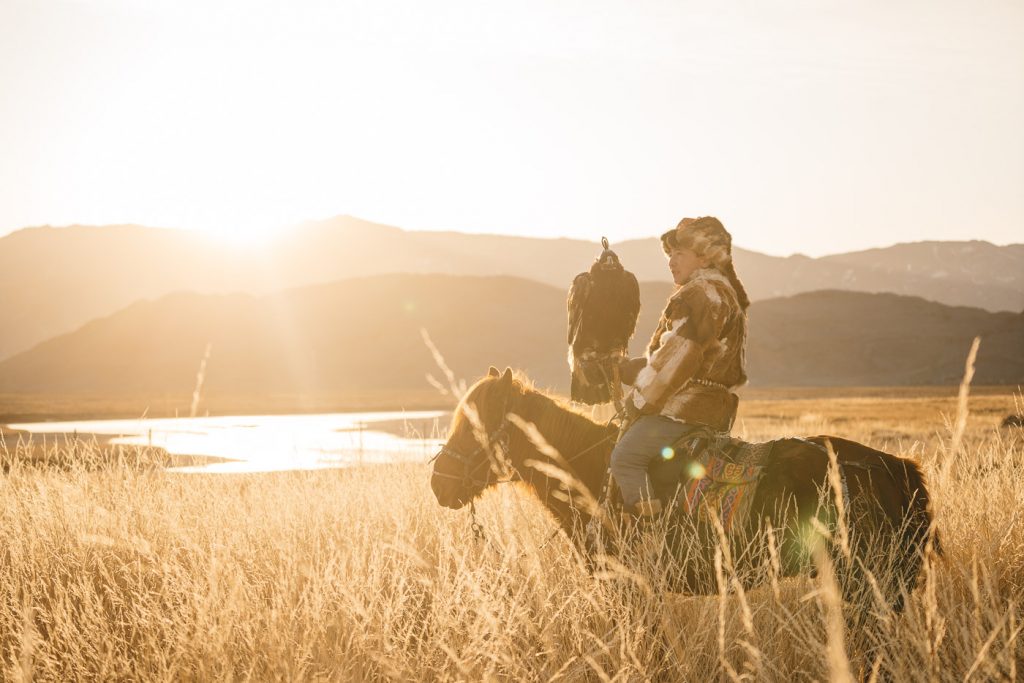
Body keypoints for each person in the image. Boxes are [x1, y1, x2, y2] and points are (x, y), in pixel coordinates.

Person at [610, 216, 750, 519]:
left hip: (683, 408)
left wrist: (638, 400)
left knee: (625, 458)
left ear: (704, 256)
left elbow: (677, 361)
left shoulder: (697, 294)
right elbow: (699, 360)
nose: (671, 262)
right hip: (716, 411)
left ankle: (647, 537)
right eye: (669, 255)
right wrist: (633, 368)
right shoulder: (726, 294)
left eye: (679, 254)